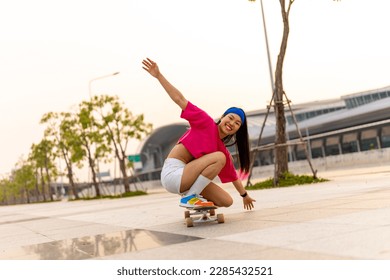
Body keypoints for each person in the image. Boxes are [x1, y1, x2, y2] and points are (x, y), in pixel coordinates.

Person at [142, 58, 256, 210]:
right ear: (222, 117)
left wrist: (244, 195)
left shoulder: (221, 149)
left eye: (237, 124)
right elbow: (179, 99)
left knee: (226, 201)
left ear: (237, 130)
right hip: (173, 173)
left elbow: (233, 176)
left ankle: (194, 197)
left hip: (187, 178)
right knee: (219, 157)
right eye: (230, 118)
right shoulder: (205, 122)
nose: (232, 124)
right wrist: (159, 76)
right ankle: (191, 197)